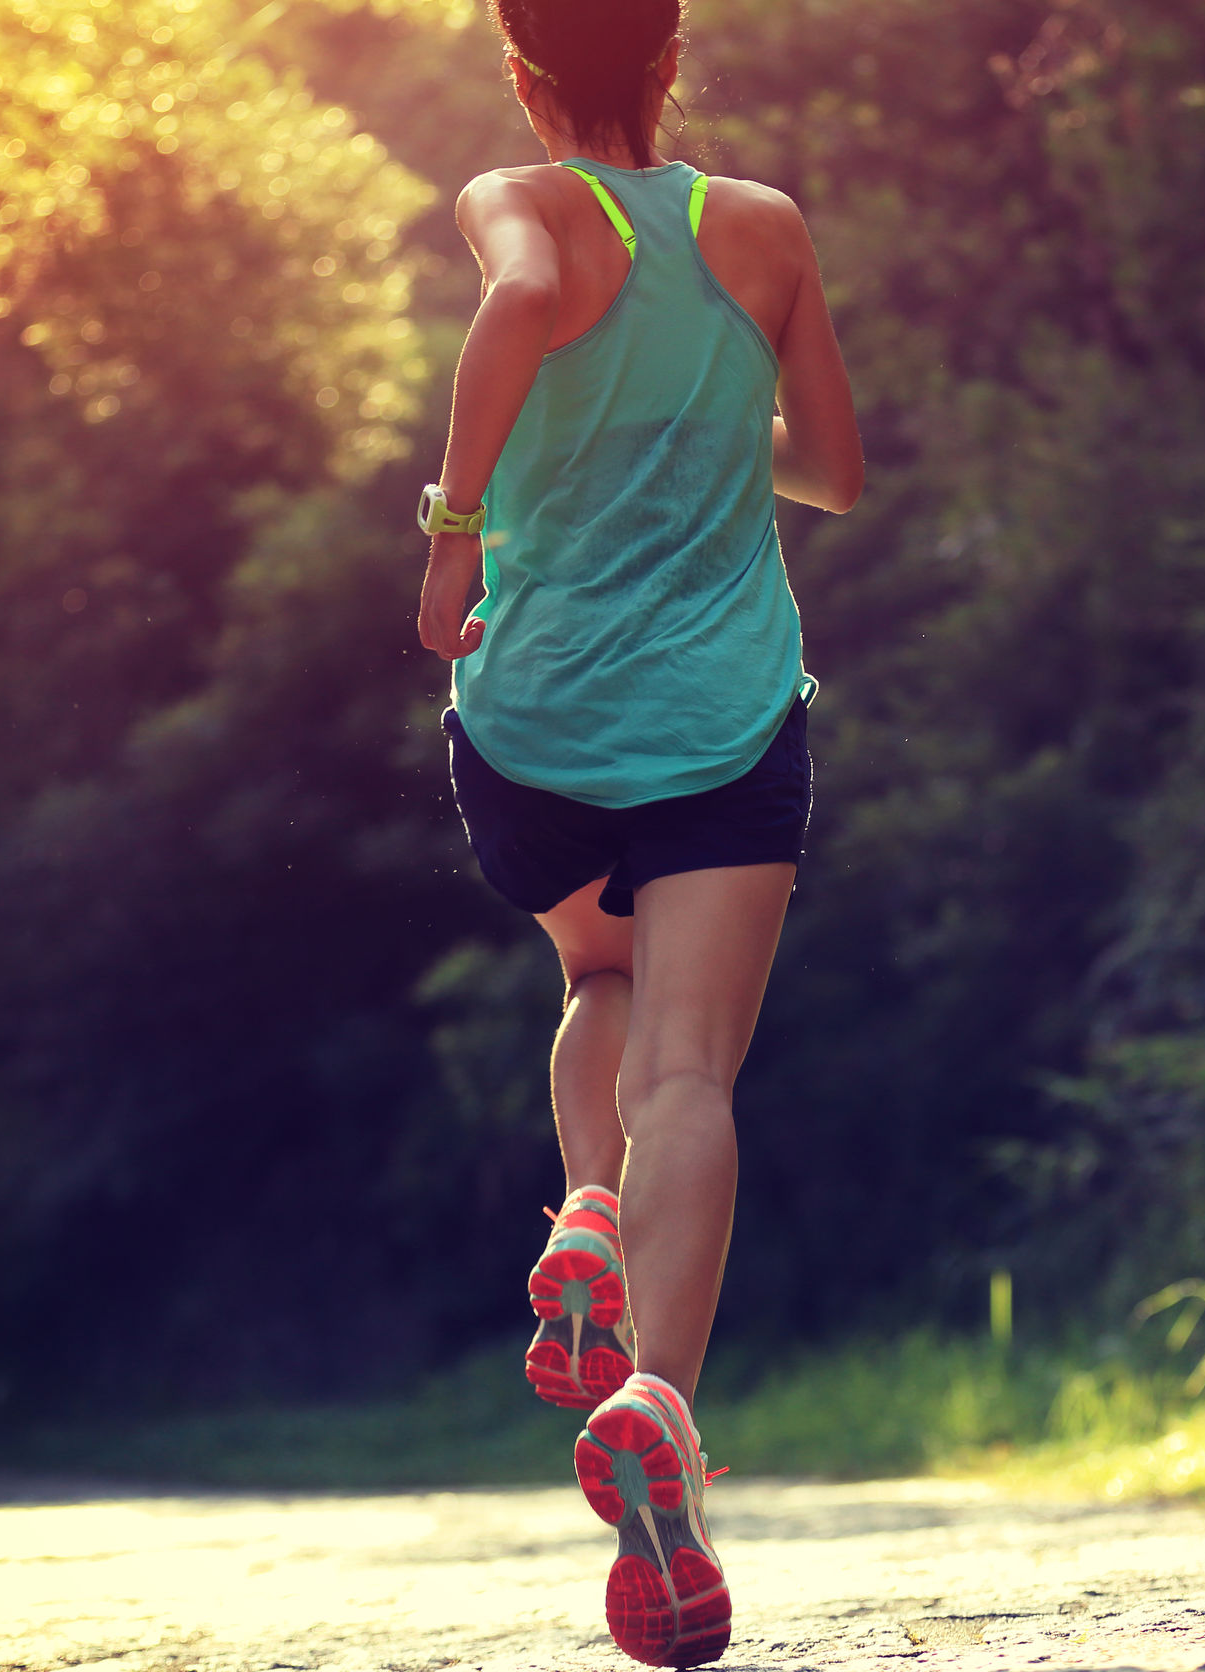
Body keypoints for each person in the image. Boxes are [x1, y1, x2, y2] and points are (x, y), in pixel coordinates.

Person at [410, 0, 862, 1660]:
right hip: (722, 720)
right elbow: (832, 470)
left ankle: (584, 1209)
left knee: (595, 985)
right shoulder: (761, 227)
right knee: (691, 1071)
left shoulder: (512, 198)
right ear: (671, 60)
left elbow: (528, 299)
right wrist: (698, 431)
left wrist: (458, 536)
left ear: (525, 73)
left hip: (535, 722)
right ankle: (660, 1401)